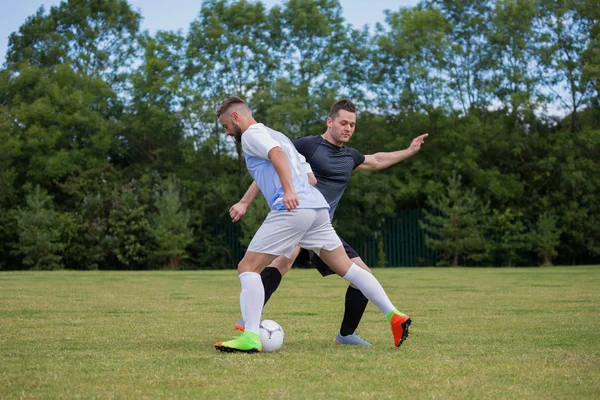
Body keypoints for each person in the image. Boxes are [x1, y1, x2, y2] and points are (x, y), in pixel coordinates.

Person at [213, 96, 411, 353]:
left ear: (236, 117)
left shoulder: (252, 134)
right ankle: (394, 315)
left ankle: (250, 335)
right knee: (349, 269)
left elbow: (275, 155)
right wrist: (290, 188)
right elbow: (310, 178)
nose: (228, 132)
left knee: (248, 266)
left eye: (226, 125)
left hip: (294, 207)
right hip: (318, 209)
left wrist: (287, 190)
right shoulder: (279, 135)